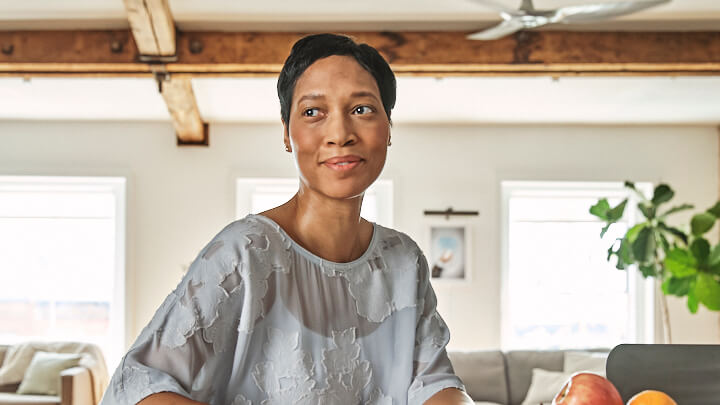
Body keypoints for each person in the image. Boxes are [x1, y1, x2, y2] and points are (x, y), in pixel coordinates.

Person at [101, 33, 471, 405]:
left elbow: (436, 382)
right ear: (286, 133)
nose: (340, 134)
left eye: (361, 109)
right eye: (313, 112)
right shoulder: (244, 252)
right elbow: (139, 385)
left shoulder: (404, 260)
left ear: (388, 128)